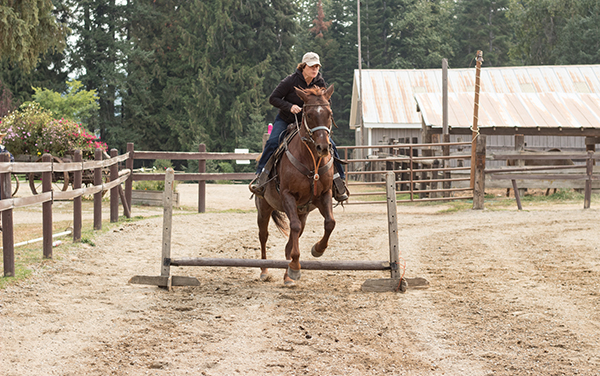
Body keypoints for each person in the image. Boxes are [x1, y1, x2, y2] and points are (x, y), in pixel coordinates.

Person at [249, 52, 349, 202]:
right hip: (286, 119)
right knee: (272, 141)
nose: (315, 69)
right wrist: (289, 106)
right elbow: (273, 98)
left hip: (309, 124)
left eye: (317, 66)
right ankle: (261, 176)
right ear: (303, 66)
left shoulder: (320, 82)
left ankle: (339, 180)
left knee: (330, 145)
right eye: (311, 66)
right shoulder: (290, 81)